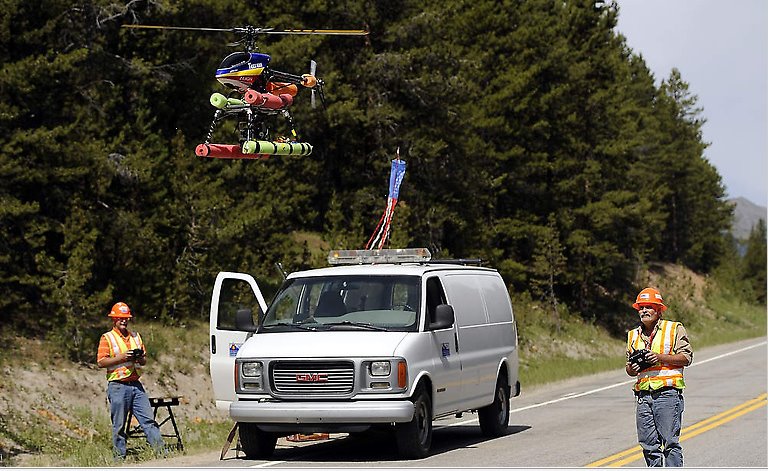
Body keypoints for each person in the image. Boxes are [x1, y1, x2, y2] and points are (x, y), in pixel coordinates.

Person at [625, 287, 693, 467]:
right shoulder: (633, 335)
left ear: (659, 309)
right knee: (648, 446)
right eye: (641, 307)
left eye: (649, 307)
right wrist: (632, 367)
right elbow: (629, 370)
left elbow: (686, 358)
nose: (644, 311)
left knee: (670, 444)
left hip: (668, 395)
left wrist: (659, 357)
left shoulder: (674, 328)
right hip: (643, 396)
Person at [97, 302, 164, 460]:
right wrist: (122, 357)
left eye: (126, 318)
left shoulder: (136, 336)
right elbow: (100, 362)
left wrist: (139, 357)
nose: (124, 321)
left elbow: (144, 361)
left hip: (135, 384)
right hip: (118, 386)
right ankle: (119, 458)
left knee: (148, 420)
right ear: (114, 319)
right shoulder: (107, 338)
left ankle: (162, 454)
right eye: (120, 318)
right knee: (119, 425)